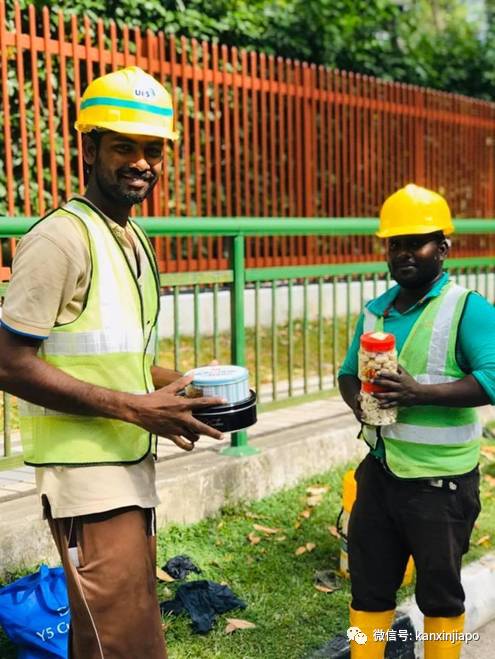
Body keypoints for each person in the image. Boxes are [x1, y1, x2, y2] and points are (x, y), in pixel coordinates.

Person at [0, 66, 226, 658]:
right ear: (89, 146)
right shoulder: (60, 240)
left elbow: (119, 356)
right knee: (122, 640)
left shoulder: (130, 236)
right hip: (85, 476)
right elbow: (8, 362)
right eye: (124, 146)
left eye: (152, 150)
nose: (141, 162)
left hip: (125, 460)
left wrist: (184, 384)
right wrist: (135, 407)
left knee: (112, 630)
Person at [338, 184, 495, 659]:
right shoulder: (376, 311)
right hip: (381, 474)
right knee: (367, 591)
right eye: (395, 244)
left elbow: (491, 379)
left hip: (440, 484)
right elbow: (348, 375)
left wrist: (418, 393)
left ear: (443, 249)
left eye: (417, 242)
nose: (403, 253)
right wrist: (359, 402)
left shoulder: (467, 309)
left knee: (439, 596)